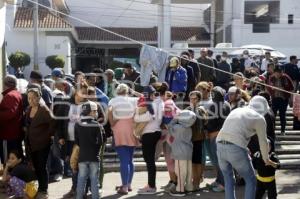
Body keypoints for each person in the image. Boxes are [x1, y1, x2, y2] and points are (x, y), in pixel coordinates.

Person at [216, 96, 278, 199]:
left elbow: (233, 130)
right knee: (250, 179)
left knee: (228, 179)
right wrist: (266, 159)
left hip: (219, 144)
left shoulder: (237, 110)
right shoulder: (259, 118)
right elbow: (263, 141)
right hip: (235, 147)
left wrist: (244, 147)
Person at [108, 83, 140, 195]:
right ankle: (128, 184)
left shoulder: (113, 100)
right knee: (130, 159)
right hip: (131, 127)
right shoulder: (133, 100)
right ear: (127, 91)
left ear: (117, 91)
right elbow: (144, 98)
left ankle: (125, 186)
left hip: (119, 128)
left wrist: (112, 123)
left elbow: (110, 112)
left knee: (124, 160)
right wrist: (134, 92)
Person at [59, 83, 88, 198]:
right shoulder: (66, 104)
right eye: (82, 92)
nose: (84, 95)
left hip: (83, 142)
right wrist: (61, 136)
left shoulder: (88, 105)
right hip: (70, 141)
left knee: (83, 166)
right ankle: (74, 188)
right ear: (76, 91)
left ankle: (83, 190)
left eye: (86, 93)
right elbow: (60, 121)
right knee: (73, 165)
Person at [25, 88, 54, 199]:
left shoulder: (44, 110)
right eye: (29, 98)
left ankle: (44, 190)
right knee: (36, 166)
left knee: (42, 166)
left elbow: (53, 123)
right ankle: (39, 188)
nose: (31, 100)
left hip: (42, 144)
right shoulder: (28, 109)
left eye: (34, 98)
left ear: (39, 97)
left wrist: (47, 135)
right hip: (31, 143)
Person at [137, 86, 164, 195]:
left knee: (149, 161)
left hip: (149, 133)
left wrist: (136, 116)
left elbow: (144, 118)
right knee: (150, 160)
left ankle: (152, 186)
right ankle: (150, 184)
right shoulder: (159, 102)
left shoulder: (153, 104)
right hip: (155, 132)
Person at [75, 101, 104, 199]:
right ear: (91, 112)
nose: (96, 113)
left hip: (82, 156)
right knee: (94, 180)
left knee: (81, 179)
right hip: (94, 156)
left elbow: (77, 141)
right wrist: (96, 150)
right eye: (95, 111)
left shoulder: (78, 124)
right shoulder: (96, 124)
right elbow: (100, 141)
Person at [205, 86, 231, 192]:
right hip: (225, 136)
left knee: (219, 161)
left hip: (216, 136)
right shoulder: (227, 104)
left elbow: (211, 123)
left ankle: (223, 184)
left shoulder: (214, 106)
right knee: (222, 161)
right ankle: (220, 181)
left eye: (213, 93)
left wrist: (206, 128)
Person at [168, 110, 197, 196]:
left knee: (180, 171)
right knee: (188, 171)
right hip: (188, 151)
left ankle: (180, 190)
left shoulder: (177, 127)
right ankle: (189, 187)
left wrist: (175, 118)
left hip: (180, 152)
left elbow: (169, 127)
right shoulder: (188, 127)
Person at [185, 91, 207, 191]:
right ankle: (191, 183)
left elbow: (204, 122)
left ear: (199, 100)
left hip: (198, 139)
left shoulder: (201, 110)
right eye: (191, 99)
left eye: (195, 99)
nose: (192, 101)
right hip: (188, 139)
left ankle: (196, 183)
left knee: (197, 162)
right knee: (190, 162)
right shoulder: (187, 110)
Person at [0, 75, 24, 164]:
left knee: (9, 160)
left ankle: (10, 177)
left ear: (5, 84)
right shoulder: (15, 93)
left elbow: (10, 113)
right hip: (13, 132)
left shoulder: (10, 95)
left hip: (8, 134)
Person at [267, 66, 294, 135]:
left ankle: (283, 131)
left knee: (282, 115)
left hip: (283, 99)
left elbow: (291, 88)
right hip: (275, 99)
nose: (278, 74)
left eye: (280, 73)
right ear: (274, 72)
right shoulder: (271, 78)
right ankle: (272, 130)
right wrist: (271, 89)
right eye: (277, 73)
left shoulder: (286, 77)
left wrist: (291, 99)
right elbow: (268, 87)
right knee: (273, 115)